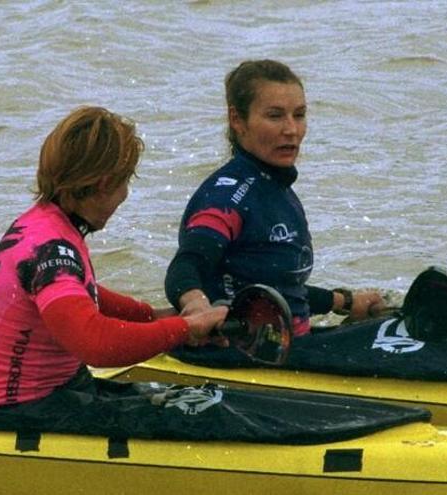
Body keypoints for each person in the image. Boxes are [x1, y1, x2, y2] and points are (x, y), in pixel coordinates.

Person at [0, 106, 227, 410]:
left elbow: (85, 299)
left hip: (51, 393)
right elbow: (94, 342)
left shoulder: (41, 224)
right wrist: (186, 329)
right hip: (25, 409)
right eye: (125, 182)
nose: (124, 195)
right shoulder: (51, 249)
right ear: (105, 183)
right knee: (211, 411)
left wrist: (162, 317)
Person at [164, 59, 385, 337]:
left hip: (290, 345)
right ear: (237, 120)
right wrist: (196, 306)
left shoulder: (275, 188)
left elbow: (277, 287)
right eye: (275, 116)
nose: (291, 129)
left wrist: (345, 303)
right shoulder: (227, 196)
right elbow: (186, 265)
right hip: (243, 355)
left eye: (299, 115)